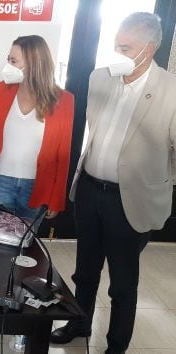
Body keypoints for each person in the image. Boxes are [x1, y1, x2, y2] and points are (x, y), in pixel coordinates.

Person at [51, 13, 176, 353]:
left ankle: (116, 345)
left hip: (130, 200)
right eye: (116, 45)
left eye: (126, 47)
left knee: (122, 283)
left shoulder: (171, 90)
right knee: (84, 272)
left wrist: (163, 179)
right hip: (91, 189)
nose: (117, 53)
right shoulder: (100, 78)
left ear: (148, 50)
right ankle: (78, 323)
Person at [0, 35, 74, 223]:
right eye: (8, 59)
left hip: (36, 186)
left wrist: (55, 199)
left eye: (13, 61)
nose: (8, 65)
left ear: (33, 64)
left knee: (26, 244)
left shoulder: (64, 100)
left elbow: (63, 155)